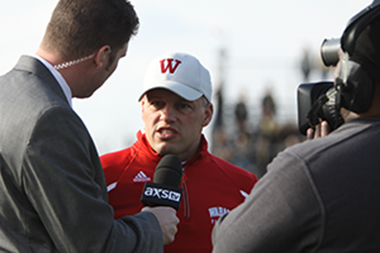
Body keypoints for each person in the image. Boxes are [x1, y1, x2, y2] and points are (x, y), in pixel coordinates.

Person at [0, 0, 179, 252]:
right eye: (119, 58)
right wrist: (153, 226)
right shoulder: (50, 120)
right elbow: (95, 245)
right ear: (103, 56)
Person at [212, 1, 380, 252]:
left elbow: (227, 244)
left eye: (340, 63)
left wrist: (314, 159)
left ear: (352, 78)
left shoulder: (308, 169)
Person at [100, 52, 258, 252]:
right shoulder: (102, 175)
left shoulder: (245, 188)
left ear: (207, 115)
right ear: (142, 109)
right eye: (157, 104)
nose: (166, 116)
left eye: (182, 106)